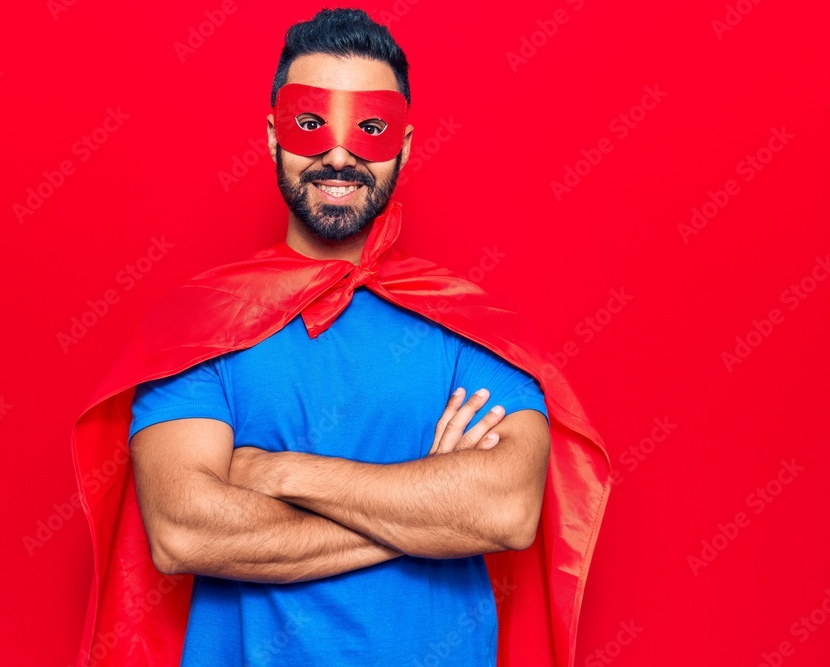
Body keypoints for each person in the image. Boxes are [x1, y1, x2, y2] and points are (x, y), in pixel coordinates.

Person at [70, 8, 610, 667]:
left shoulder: (466, 324)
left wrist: (273, 470)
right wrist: (427, 516)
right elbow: (185, 530)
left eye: (371, 129)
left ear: (406, 146)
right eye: (310, 123)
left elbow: (505, 511)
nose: (337, 152)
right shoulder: (197, 324)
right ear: (273, 137)